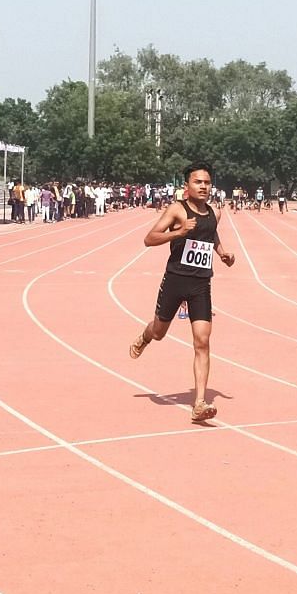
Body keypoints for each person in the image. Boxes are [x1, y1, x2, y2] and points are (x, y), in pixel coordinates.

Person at [128, 162, 233, 424]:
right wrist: (179, 231)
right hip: (175, 280)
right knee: (160, 332)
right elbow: (149, 239)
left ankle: (199, 403)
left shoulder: (214, 213)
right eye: (198, 182)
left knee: (203, 341)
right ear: (187, 186)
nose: (204, 186)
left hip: (201, 284)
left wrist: (222, 254)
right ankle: (146, 335)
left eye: (207, 182)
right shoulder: (177, 209)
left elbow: (211, 235)